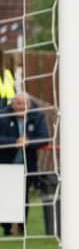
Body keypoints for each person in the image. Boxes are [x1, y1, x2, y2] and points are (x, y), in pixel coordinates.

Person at [0, 92, 49, 235]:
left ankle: (21, 227)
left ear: (30, 104)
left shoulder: (37, 116)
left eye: (24, 104)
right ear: (13, 104)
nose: (22, 107)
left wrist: (28, 142)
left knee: (24, 194)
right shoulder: (3, 116)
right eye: (19, 104)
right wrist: (14, 142)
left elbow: (44, 138)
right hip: (6, 162)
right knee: (6, 194)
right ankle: (7, 227)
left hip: (28, 163)